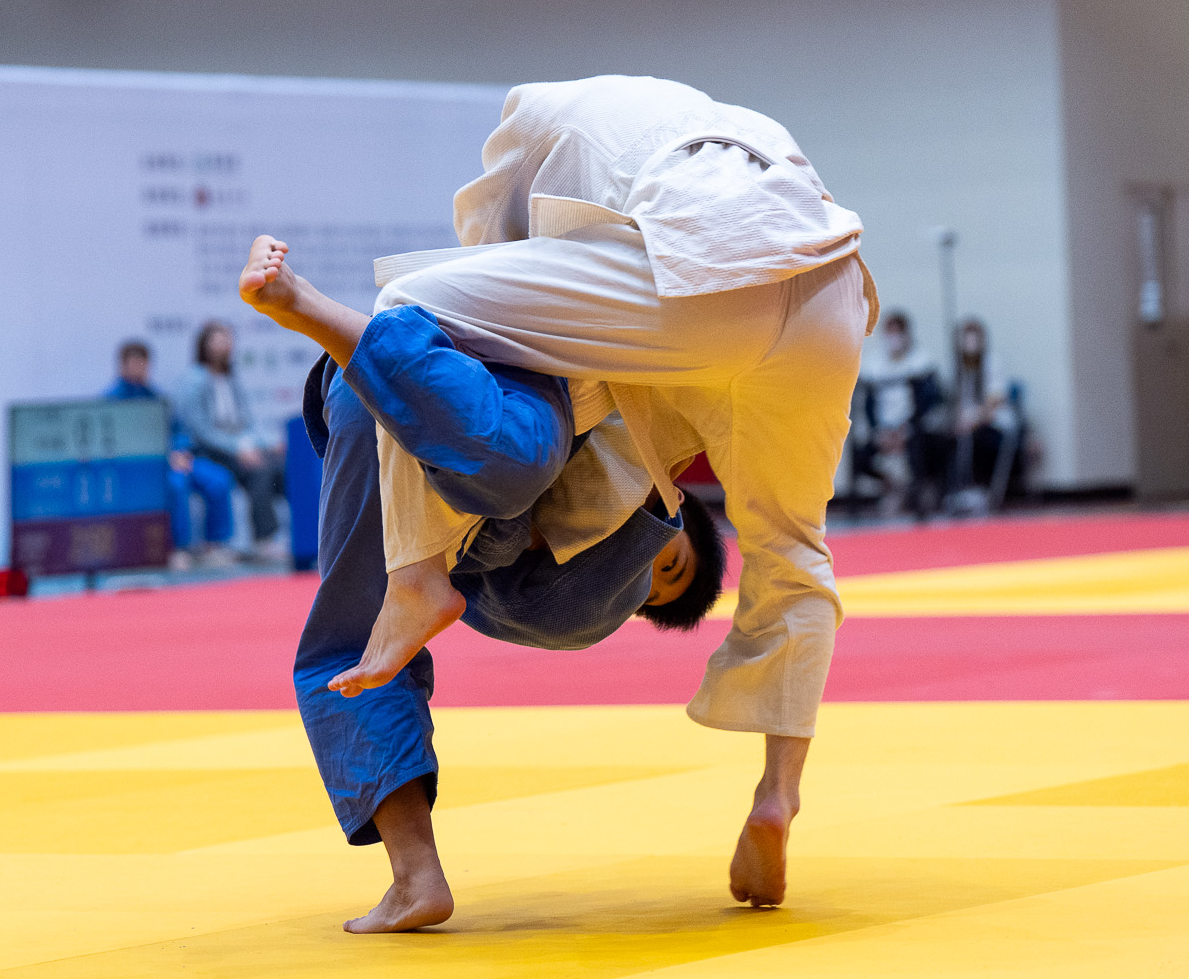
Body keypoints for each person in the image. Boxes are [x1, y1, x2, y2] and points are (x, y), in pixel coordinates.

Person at [242, 73, 875, 920]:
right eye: (671, 563)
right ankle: (778, 794)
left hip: (694, 270)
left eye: (655, 580)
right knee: (794, 549)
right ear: (681, 518)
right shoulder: (549, 140)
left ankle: (418, 583)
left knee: (417, 322)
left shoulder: (602, 195)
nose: (652, 567)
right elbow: (486, 281)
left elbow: (485, 289)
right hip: (830, 281)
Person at [256, 277, 727, 931]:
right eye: (668, 565)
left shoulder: (560, 588)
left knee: (361, 645)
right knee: (354, 645)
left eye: (650, 596)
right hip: (434, 383)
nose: (644, 579)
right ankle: (413, 876)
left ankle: (415, 878)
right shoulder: (635, 437)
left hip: (445, 440)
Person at [103, 340, 236, 570]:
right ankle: (178, 549)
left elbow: (178, 431)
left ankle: (214, 546)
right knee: (176, 485)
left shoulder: (157, 398)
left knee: (218, 479)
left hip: (176, 460)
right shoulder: (111, 402)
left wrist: (180, 451)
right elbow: (118, 444)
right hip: (144, 468)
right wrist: (165, 457)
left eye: (143, 363)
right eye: (133, 363)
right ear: (122, 366)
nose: (139, 368)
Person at [177, 321, 286, 562]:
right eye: (217, 340)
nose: (224, 345)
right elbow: (201, 430)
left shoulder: (231, 379)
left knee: (281, 468)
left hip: (239, 446)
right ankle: (263, 540)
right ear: (204, 345)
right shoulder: (193, 380)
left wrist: (269, 443)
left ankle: (305, 537)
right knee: (259, 470)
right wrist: (237, 448)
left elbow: (247, 423)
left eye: (227, 340)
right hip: (208, 450)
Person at [853, 310, 946, 518]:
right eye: (889, 332)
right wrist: (880, 432)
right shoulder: (874, 365)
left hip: (912, 430)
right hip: (884, 431)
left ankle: (918, 492)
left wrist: (906, 430)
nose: (893, 338)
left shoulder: (921, 362)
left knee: (926, 449)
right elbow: (868, 404)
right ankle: (893, 487)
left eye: (898, 332)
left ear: (906, 334)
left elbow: (927, 403)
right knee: (859, 457)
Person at [949, 316, 1023, 501]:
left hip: (994, 423)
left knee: (978, 437)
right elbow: (961, 403)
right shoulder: (962, 369)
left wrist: (975, 420)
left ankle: (980, 488)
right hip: (970, 423)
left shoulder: (992, 362)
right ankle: (954, 491)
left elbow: (995, 399)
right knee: (948, 439)